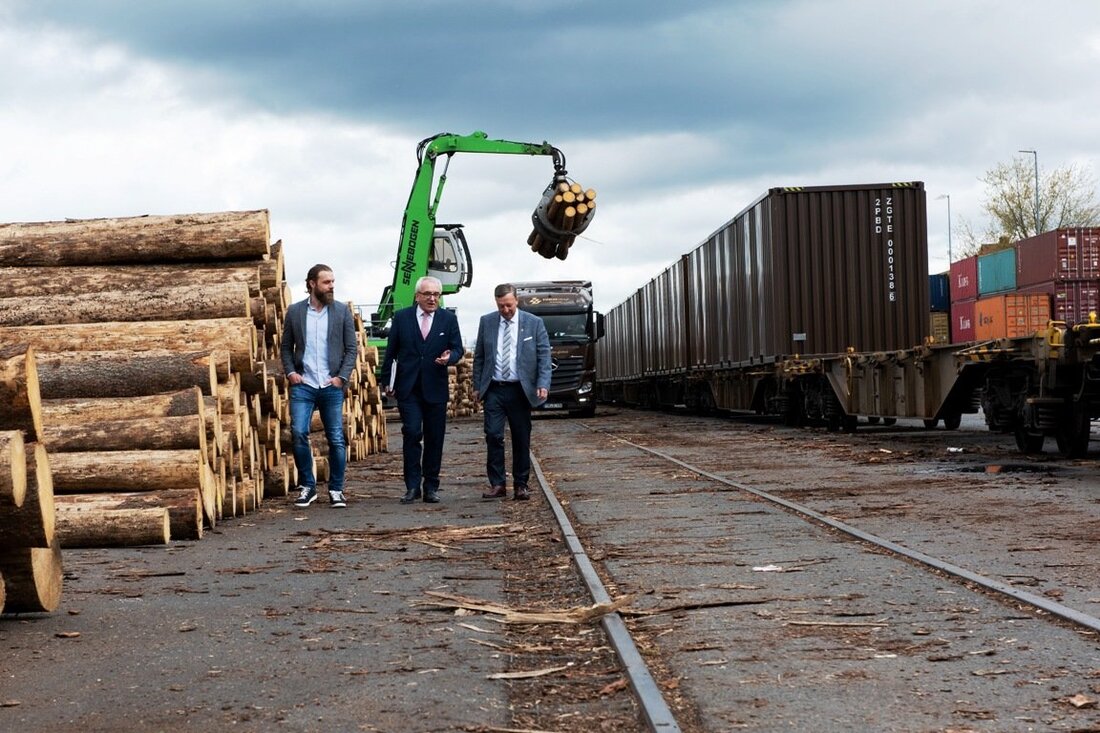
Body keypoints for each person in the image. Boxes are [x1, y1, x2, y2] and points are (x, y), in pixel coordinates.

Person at [380, 276, 465, 504]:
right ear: (417, 296)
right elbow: (391, 352)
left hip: (435, 388)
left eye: (436, 295)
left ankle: (431, 487)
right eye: (427, 294)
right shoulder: (402, 318)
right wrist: (386, 381)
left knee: (434, 438)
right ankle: (412, 487)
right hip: (408, 388)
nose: (432, 298)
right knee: (412, 433)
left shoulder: (448, 319)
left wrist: (450, 357)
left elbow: (458, 349)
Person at [280, 264, 358, 508]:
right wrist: (291, 372)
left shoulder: (341, 312)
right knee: (299, 433)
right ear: (312, 284)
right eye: (327, 282)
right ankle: (308, 487)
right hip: (303, 384)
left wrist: (341, 378)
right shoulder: (294, 312)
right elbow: (285, 348)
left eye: (333, 281)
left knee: (335, 438)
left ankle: (336, 489)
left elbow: (351, 348)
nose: (332, 286)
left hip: (331, 385)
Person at [472, 283, 552, 500]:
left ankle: (521, 484)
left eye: (508, 305)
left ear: (517, 301)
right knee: (493, 435)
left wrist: (543, 383)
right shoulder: (486, 322)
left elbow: (544, 357)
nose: (505, 310)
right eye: (500, 306)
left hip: (520, 390)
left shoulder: (534, 324)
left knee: (521, 437)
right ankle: (497, 484)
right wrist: (477, 386)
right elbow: (479, 357)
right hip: (494, 389)